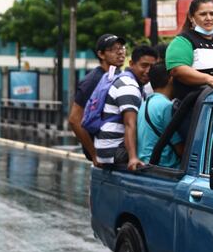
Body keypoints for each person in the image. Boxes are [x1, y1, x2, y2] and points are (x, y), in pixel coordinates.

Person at [94, 44, 157, 170]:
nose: (148, 71)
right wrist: (133, 158)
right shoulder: (128, 86)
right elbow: (130, 123)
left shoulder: (128, 81)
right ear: (132, 63)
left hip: (107, 148)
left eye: (152, 67)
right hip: (114, 150)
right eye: (144, 65)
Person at [68, 33, 126, 165]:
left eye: (121, 48)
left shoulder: (115, 76)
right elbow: (74, 119)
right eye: (113, 49)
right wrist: (94, 154)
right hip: (103, 154)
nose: (120, 53)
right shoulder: (94, 80)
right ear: (101, 54)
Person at [138, 62, 184, 168]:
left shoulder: (145, 104)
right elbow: (180, 149)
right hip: (165, 167)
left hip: (147, 165)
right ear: (171, 79)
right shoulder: (166, 106)